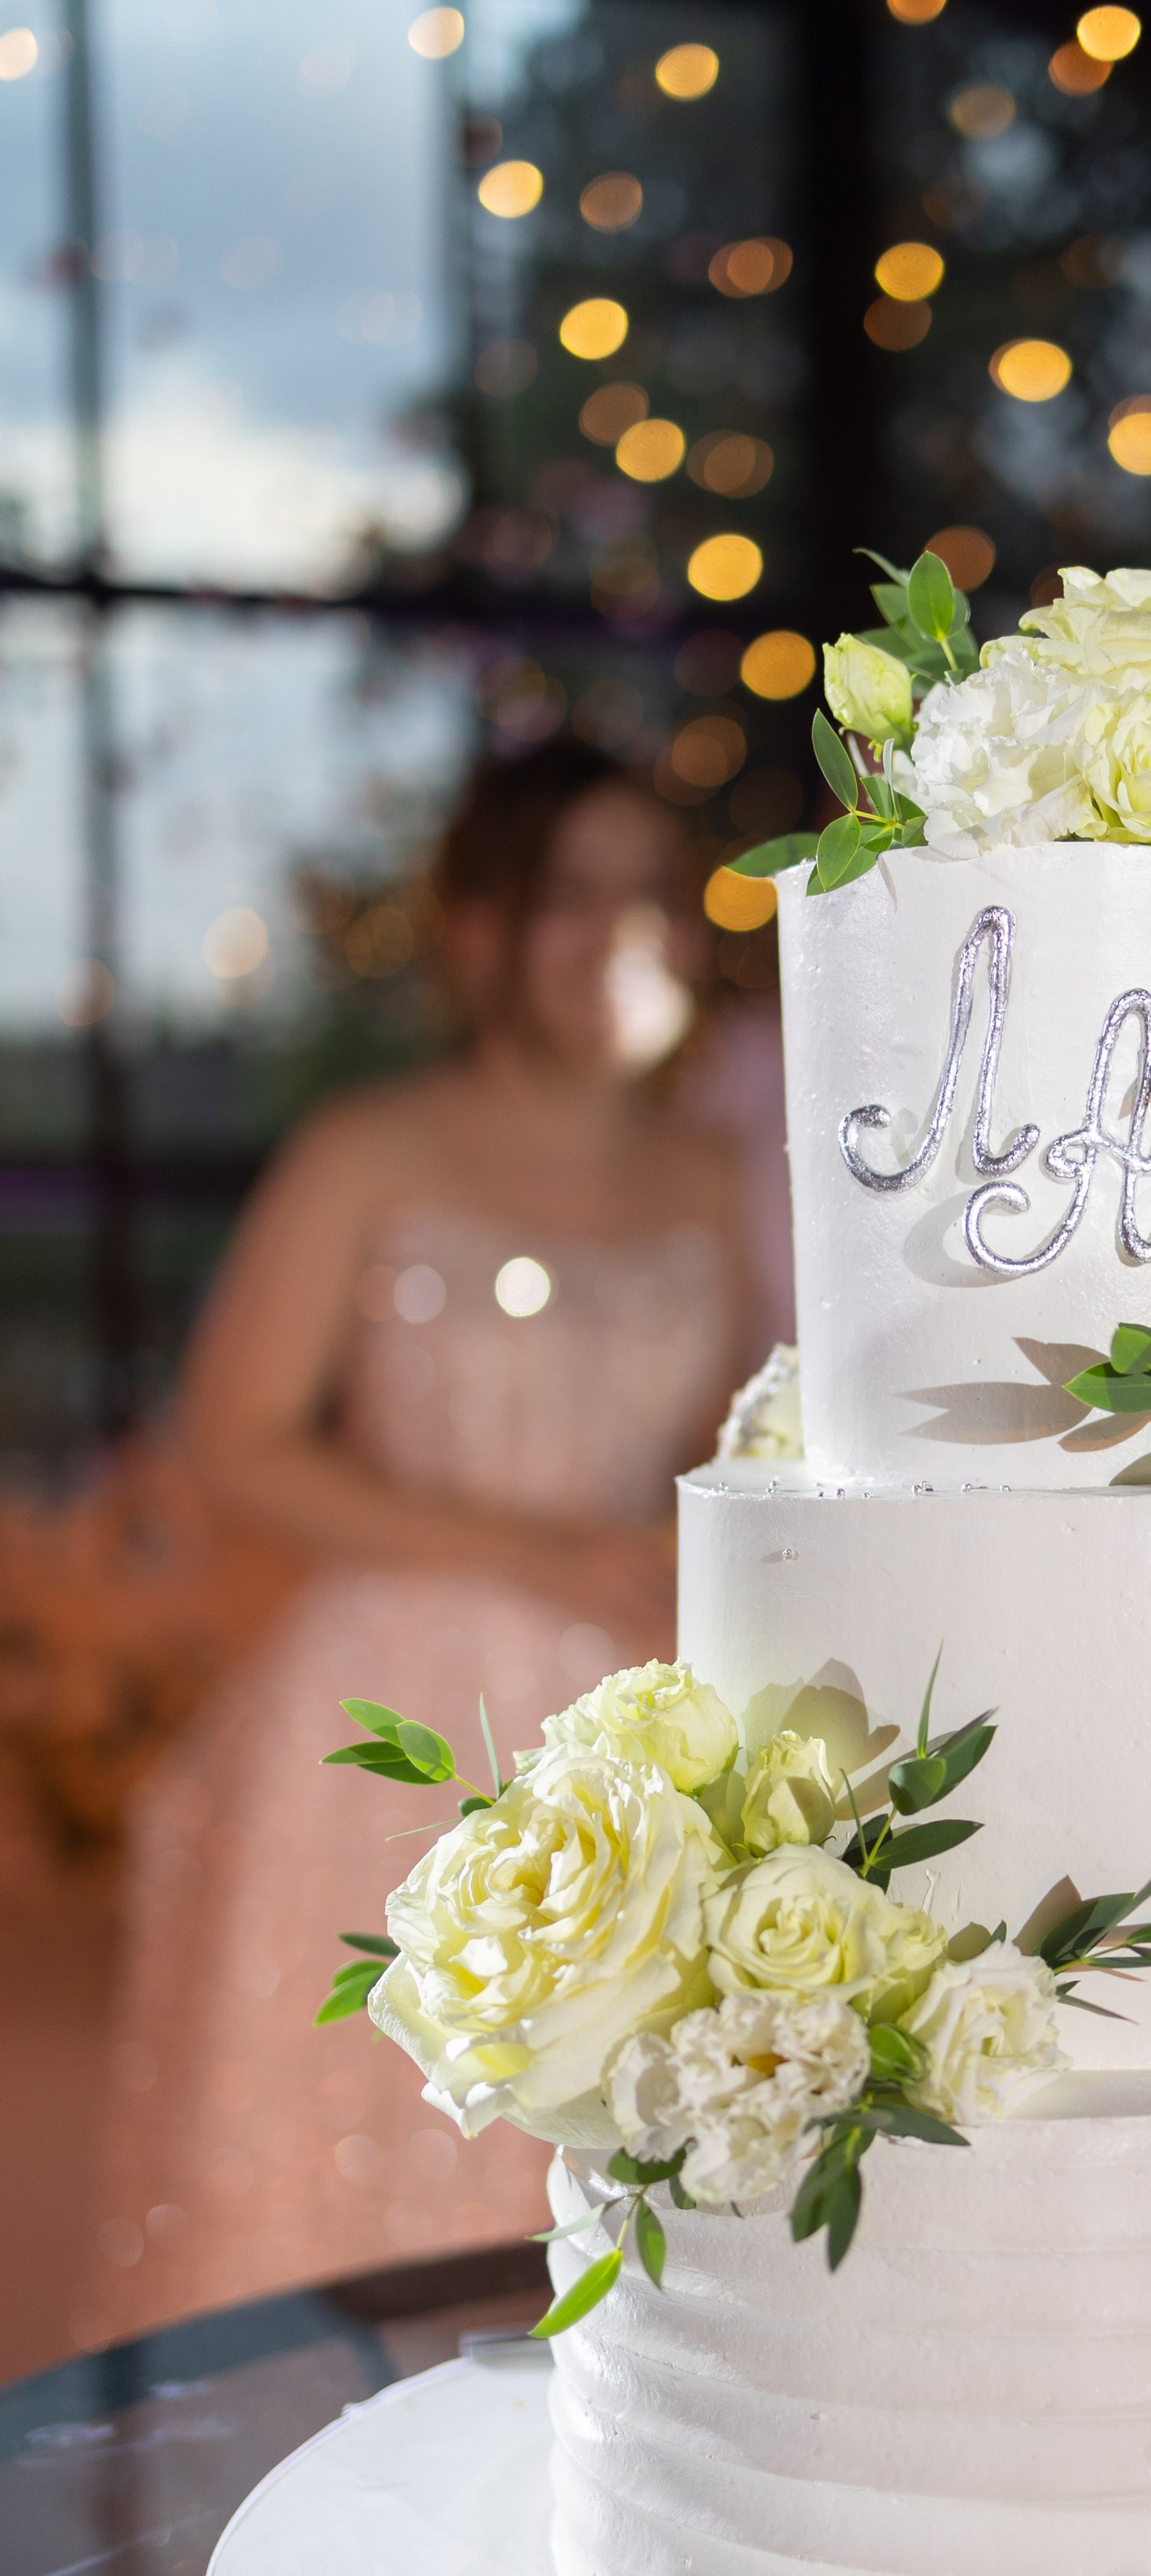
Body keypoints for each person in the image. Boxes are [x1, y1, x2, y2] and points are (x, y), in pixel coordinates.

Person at [86, 737, 770, 2336]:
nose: (621, 933)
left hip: (625, 1710)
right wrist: (527, 1555)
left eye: (650, 896)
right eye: (569, 896)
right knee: (339, 2160)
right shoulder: (369, 1150)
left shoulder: (710, 1177)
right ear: (475, 927)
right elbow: (232, 1438)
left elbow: (716, 1448)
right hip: (382, 1711)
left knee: (590, 2165)